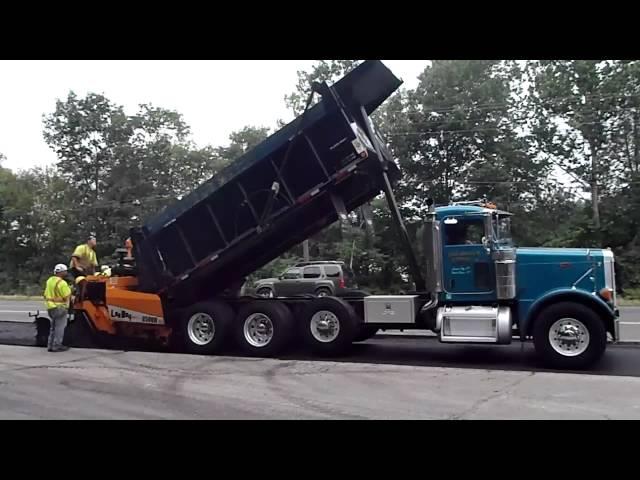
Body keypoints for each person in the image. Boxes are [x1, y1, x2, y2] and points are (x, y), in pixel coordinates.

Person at [43, 264, 72, 352]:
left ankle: (50, 345)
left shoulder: (50, 280)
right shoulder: (62, 283)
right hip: (60, 308)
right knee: (60, 327)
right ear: (61, 272)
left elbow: (46, 294)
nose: (66, 272)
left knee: (53, 327)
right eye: (65, 271)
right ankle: (57, 345)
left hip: (50, 307)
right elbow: (67, 296)